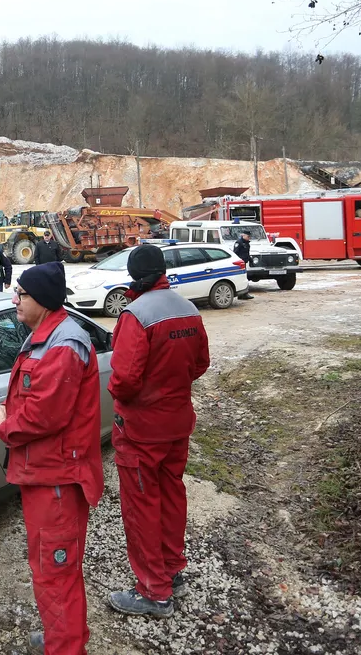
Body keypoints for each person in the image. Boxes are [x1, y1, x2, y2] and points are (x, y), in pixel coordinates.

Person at [0, 262, 103, 655]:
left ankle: (64, 647)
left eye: (23, 294)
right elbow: (41, 399)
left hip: (57, 481)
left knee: (55, 571)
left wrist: (3, 424)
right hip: (46, 475)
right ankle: (63, 637)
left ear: (44, 301)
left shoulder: (63, 345)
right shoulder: (46, 337)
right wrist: (8, 408)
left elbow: (45, 416)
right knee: (53, 568)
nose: (15, 299)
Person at [106, 244, 210, 618]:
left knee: (142, 505)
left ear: (134, 276)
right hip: (177, 423)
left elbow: (125, 379)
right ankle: (172, 571)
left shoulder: (137, 315)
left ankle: (154, 591)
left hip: (141, 429)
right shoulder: (188, 308)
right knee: (171, 496)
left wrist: (121, 393)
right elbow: (201, 363)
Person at [232, 231, 255, 300]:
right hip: (240, 264)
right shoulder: (239, 243)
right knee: (241, 278)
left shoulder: (247, 243)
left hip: (244, 263)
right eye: (248, 236)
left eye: (249, 237)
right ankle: (242, 294)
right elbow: (235, 253)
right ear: (244, 235)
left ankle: (244, 293)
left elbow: (246, 253)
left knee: (244, 278)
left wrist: (251, 260)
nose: (249, 238)